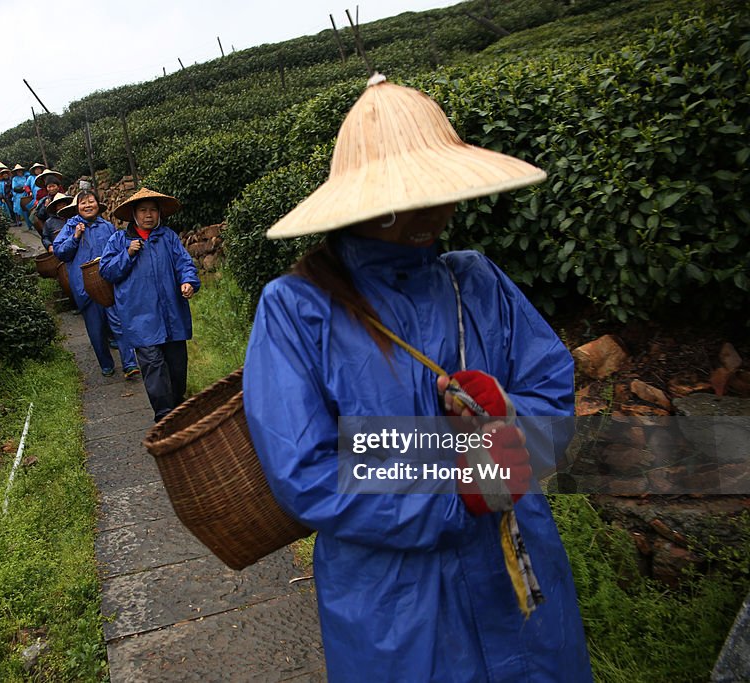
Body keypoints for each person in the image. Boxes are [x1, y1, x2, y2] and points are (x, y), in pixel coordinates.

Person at [242, 75, 592, 682]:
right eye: (408, 198)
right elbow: (307, 471)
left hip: (515, 570)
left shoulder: (477, 281)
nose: (434, 212)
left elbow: (554, 401)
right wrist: (454, 489)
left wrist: (503, 415)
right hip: (396, 602)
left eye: (440, 192)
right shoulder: (297, 308)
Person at [99, 188, 200, 420]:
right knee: (153, 366)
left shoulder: (168, 237)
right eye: (143, 210)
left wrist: (188, 281)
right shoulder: (119, 240)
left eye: (153, 210)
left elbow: (184, 263)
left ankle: (177, 408)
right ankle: (164, 417)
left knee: (176, 368)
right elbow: (107, 271)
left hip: (172, 313)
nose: (148, 215)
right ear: (134, 214)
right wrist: (128, 253)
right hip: (140, 317)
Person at [54, 189, 141, 380]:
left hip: (110, 282)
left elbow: (120, 248)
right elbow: (60, 252)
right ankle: (106, 363)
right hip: (85, 288)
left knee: (119, 323)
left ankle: (130, 364)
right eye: (83, 203)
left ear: (97, 204)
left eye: (91, 201)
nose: (88, 206)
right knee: (96, 330)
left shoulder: (107, 226)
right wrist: (75, 237)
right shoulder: (70, 227)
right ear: (77, 208)